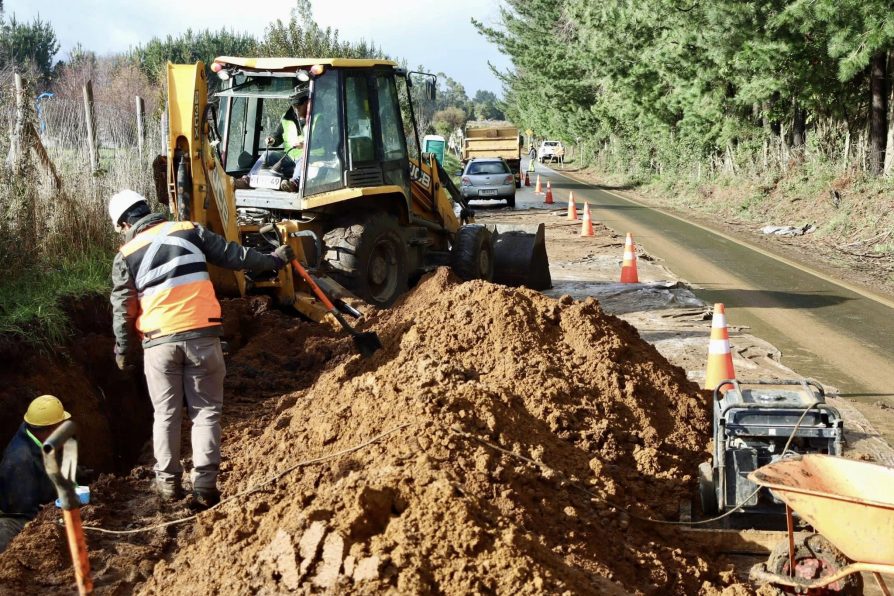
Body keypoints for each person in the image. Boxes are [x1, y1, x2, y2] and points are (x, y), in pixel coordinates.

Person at [107, 190, 294, 508]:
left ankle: (168, 484)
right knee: (206, 412)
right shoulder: (189, 230)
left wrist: (123, 351)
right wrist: (274, 260)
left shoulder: (125, 255)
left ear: (125, 223)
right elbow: (236, 256)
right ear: (147, 210)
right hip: (202, 336)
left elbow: (122, 308)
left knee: (165, 414)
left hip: (159, 342)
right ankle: (205, 486)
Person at [0, 395, 71, 552]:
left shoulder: (39, 439)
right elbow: (22, 509)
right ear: (51, 429)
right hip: (18, 518)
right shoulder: (20, 462)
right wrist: (55, 513)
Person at [234, 91, 309, 192]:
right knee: (268, 155)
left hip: (309, 156)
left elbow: (324, 142)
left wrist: (305, 145)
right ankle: (248, 180)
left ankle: (293, 184)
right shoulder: (287, 118)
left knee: (303, 160)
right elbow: (278, 135)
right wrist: (273, 139)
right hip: (290, 156)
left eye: (299, 105)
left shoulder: (318, 118)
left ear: (307, 103)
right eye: (294, 105)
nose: (296, 109)